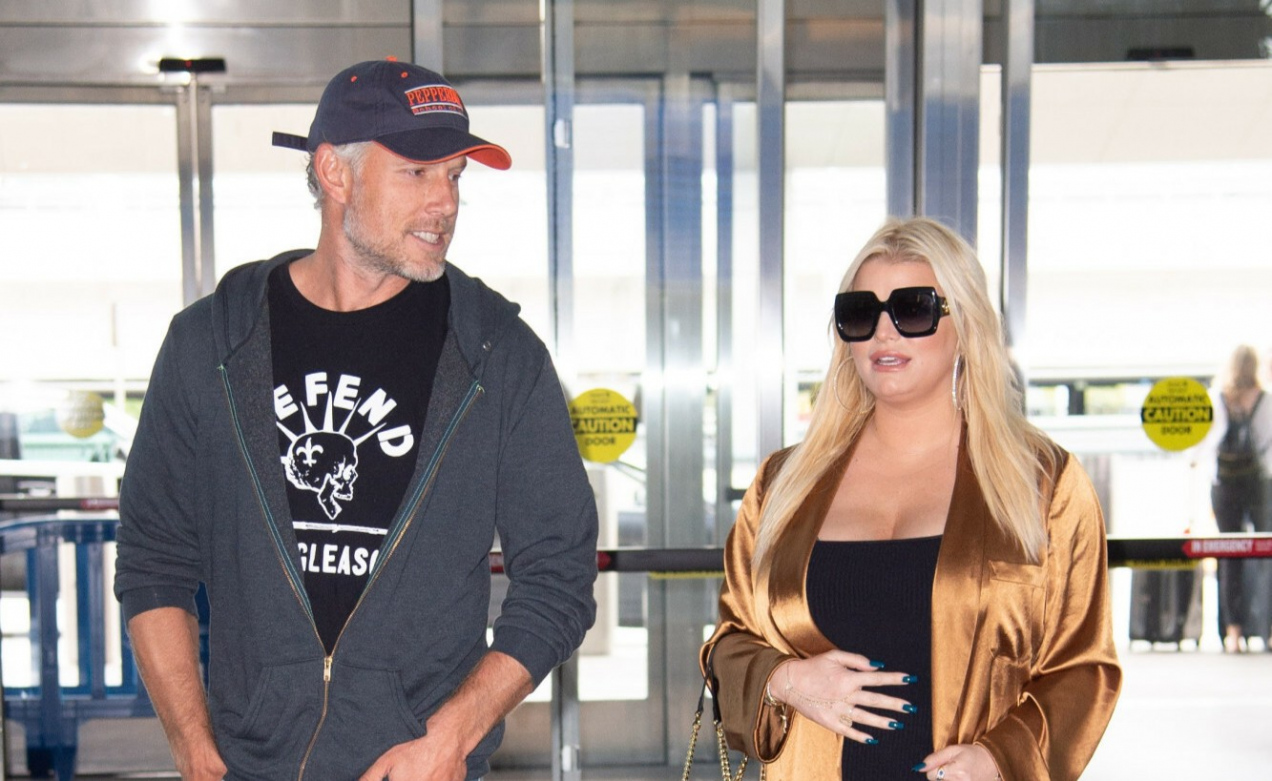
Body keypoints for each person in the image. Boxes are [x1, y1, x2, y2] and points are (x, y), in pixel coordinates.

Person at [113, 59, 599, 781]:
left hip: (418, 765)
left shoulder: (497, 355)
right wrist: (191, 745)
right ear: (334, 173)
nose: (445, 203)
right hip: (249, 763)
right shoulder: (211, 344)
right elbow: (154, 560)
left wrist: (452, 737)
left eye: (455, 176)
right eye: (417, 172)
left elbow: (558, 576)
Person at [701, 217, 1121, 781]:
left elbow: (1083, 667)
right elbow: (729, 644)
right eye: (860, 312)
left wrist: (999, 759)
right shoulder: (783, 484)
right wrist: (785, 681)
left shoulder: (1042, 483)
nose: (884, 332)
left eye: (912, 309)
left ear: (965, 324)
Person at [1207, 344, 1271, 652]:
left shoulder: (1217, 399)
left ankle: (1233, 633)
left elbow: (1206, 444)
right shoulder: (1265, 400)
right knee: (1267, 554)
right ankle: (1267, 630)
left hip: (1224, 484)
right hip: (1260, 484)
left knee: (1228, 552)